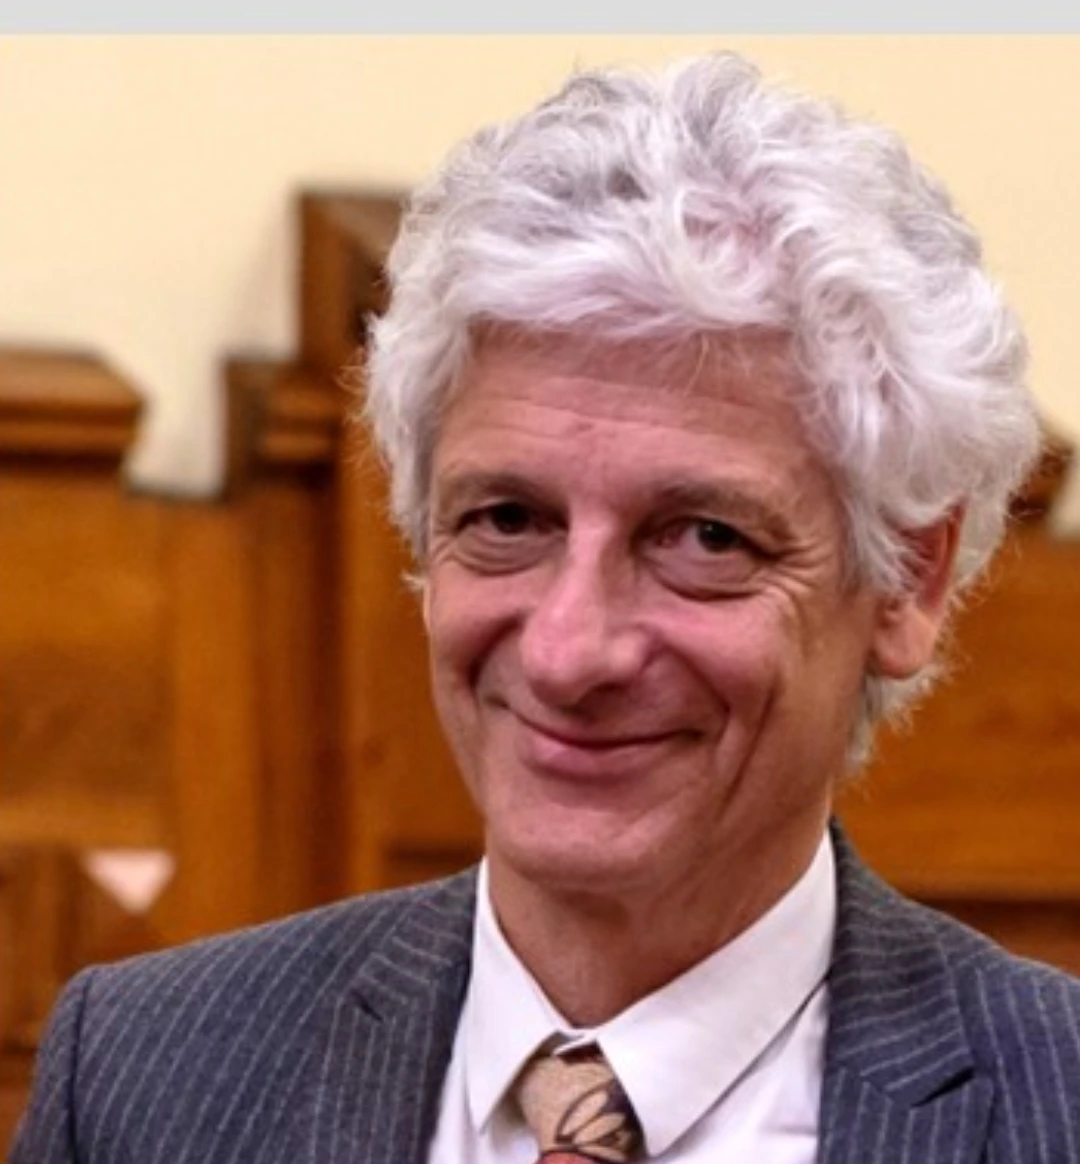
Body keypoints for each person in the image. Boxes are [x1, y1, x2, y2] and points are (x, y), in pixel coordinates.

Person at [11, 50, 1080, 1164]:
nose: (570, 652)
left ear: (907, 579)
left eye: (704, 539)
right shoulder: (146, 1082)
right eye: (509, 520)